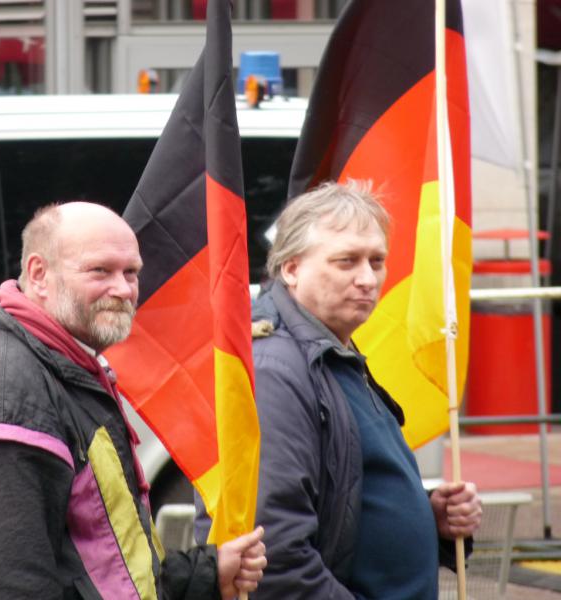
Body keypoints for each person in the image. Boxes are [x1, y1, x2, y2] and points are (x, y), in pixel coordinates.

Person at [0, 201, 266, 599]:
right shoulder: (13, 393)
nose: (123, 289)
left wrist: (206, 575)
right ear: (39, 274)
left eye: (131, 272)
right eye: (100, 271)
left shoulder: (59, 363)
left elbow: (102, 563)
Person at [195, 181, 482, 599]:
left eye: (377, 261)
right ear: (291, 269)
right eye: (346, 261)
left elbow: (341, 487)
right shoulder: (275, 368)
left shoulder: (330, 347)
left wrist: (428, 514)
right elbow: (272, 552)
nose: (368, 279)